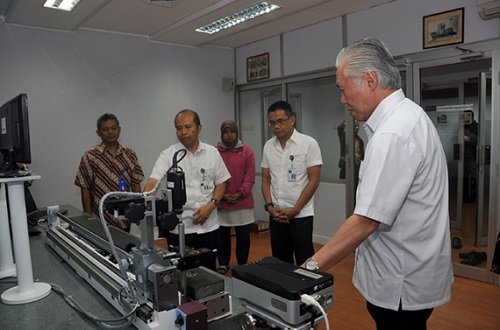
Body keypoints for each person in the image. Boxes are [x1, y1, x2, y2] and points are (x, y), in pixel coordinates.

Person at [303, 38, 453, 330]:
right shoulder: (409, 115)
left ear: (369, 80)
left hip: (401, 282)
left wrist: (309, 268)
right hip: (410, 270)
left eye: (344, 89)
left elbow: (366, 221)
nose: (343, 100)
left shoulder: (392, 135)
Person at [143, 110, 230, 270]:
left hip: (208, 225)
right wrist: (143, 202)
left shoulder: (212, 153)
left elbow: (221, 182)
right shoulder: (169, 155)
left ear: (199, 128)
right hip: (180, 227)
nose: (183, 132)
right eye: (179, 128)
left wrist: (211, 205)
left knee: (208, 271)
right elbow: (153, 181)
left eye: (188, 127)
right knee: (181, 272)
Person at [261, 100, 322, 266]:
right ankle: (284, 292)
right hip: (276, 214)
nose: (276, 126)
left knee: (305, 260)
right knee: (281, 261)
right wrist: (269, 207)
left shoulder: (308, 144)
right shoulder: (268, 146)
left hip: (300, 215)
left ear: (292, 120)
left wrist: (295, 209)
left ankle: (306, 291)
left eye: (280, 121)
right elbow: (266, 179)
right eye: (272, 123)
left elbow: (314, 180)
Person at [75, 113, 145, 232]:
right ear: (98, 132)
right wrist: (88, 218)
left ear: (119, 130)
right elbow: (85, 187)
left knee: (124, 248)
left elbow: (135, 183)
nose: (110, 132)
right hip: (100, 218)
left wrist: (139, 212)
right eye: (105, 129)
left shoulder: (130, 154)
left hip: (125, 218)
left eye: (113, 128)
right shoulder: (90, 156)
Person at [215, 120, 255, 274]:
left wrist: (240, 193)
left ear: (237, 132)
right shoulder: (215, 152)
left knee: (243, 236)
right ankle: (223, 263)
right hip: (222, 202)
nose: (229, 135)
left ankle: (242, 263)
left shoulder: (247, 151)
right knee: (222, 236)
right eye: (226, 132)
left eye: (232, 131)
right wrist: (222, 195)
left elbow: (249, 177)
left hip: (242, 201)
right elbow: (212, 177)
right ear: (221, 133)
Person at [337, 119, 364, 184]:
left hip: (357, 169)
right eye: (355, 126)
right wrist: (341, 126)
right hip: (346, 168)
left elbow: (362, 156)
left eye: (358, 126)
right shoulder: (345, 138)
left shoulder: (360, 140)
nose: (357, 128)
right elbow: (340, 131)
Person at [463, 110, 478, 203]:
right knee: (464, 178)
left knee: (473, 177)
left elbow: (477, 140)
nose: (463, 118)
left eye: (465, 116)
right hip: (464, 156)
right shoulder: (463, 127)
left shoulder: (477, 126)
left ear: (469, 116)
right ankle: (465, 197)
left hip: (474, 156)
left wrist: (464, 135)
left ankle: (473, 197)